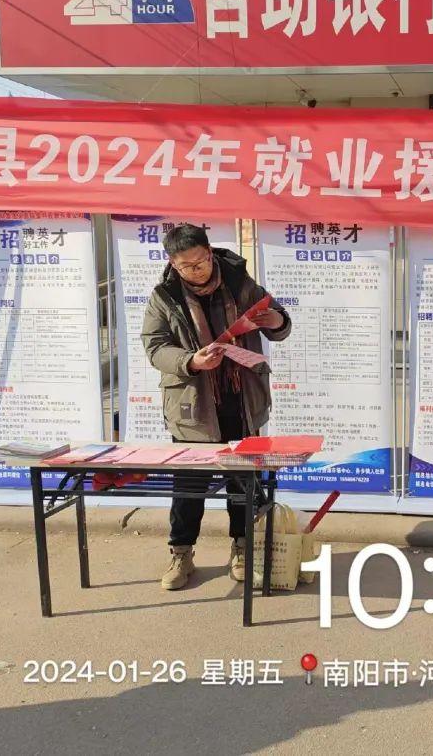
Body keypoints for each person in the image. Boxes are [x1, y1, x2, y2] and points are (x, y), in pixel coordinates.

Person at [141, 224, 291, 590]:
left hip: (242, 401)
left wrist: (277, 321)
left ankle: (241, 548)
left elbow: (277, 319)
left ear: (210, 252)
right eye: (186, 266)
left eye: (201, 262)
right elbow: (155, 346)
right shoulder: (165, 296)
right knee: (188, 489)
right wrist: (190, 361)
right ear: (172, 264)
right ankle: (181, 553)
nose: (197, 271)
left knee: (243, 485)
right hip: (193, 407)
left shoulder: (240, 282)